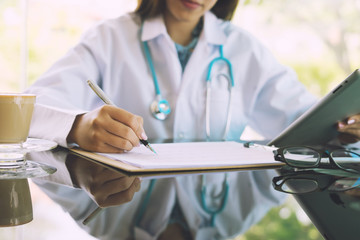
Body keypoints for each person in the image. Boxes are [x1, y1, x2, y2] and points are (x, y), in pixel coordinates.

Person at [26, 0, 360, 239]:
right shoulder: (109, 39)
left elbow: (305, 121)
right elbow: (29, 110)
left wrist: (346, 128)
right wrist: (78, 125)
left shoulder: (242, 47)